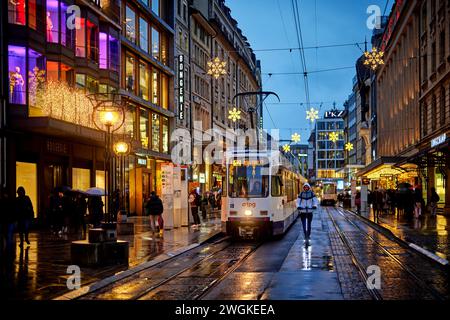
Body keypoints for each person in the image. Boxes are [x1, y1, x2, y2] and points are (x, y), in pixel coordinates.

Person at [0, 188, 16, 253]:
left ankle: (7, 248)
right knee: (9, 234)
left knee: (7, 234)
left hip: (7, 221)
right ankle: (8, 248)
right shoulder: (11, 201)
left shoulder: (3, 201)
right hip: (9, 220)